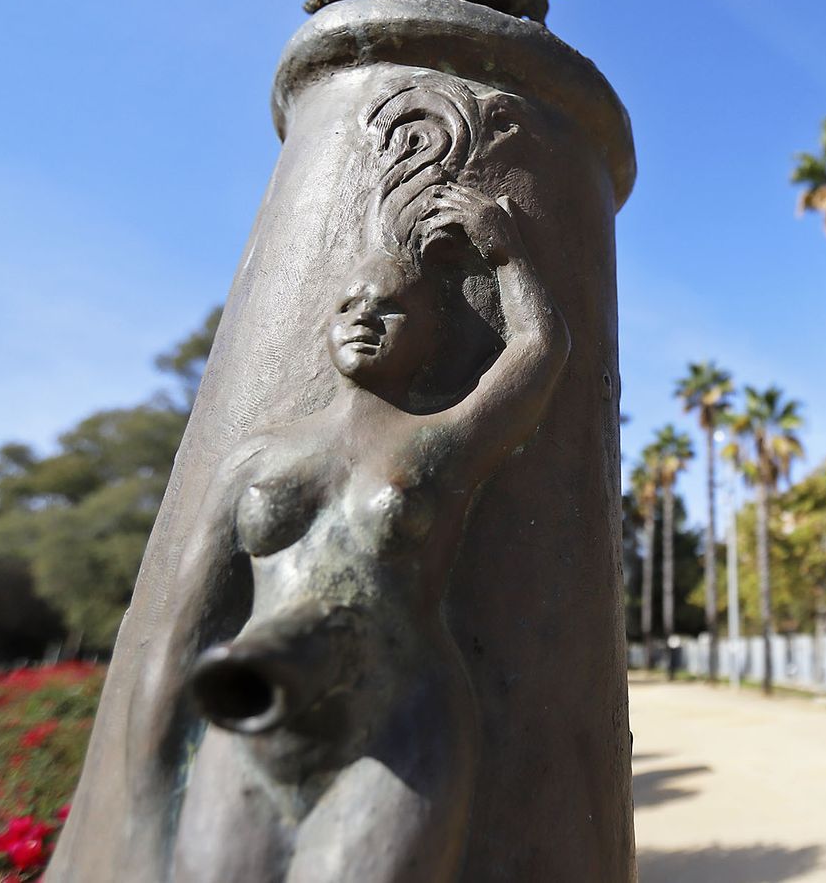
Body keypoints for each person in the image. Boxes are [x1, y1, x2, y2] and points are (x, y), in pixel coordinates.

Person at [169, 183, 569, 883]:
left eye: (390, 306)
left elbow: (538, 347)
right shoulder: (255, 459)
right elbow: (182, 634)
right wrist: (144, 802)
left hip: (398, 722)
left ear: (430, 335)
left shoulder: (436, 446)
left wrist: (505, 252)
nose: (364, 315)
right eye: (349, 303)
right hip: (251, 713)